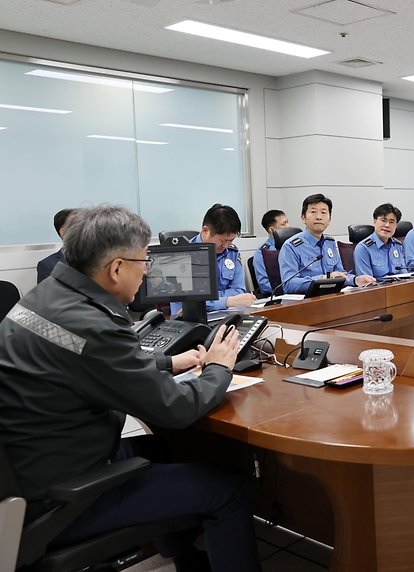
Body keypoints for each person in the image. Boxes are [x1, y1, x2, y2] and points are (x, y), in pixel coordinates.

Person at [0, 205, 260, 572]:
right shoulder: (95, 323)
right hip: (64, 499)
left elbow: (83, 358)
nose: (147, 270)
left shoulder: (43, 299)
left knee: (155, 446)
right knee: (230, 489)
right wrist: (218, 367)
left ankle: (187, 560)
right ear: (116, 267)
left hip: (30, 472)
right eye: (144, 261)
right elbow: (176, 409)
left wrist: (170, 362)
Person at [170, 204, 256, 316]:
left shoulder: (232, 253)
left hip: (227, 316)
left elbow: (239, 291)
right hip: (190, 320)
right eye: (222, 240)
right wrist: (228, 301)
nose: (226, 245)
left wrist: (209, 299)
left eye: (231, 241)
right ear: (205, 231)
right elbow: (187, 302)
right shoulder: (182, 256)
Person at [278, 194, 375, 293]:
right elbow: (289, 284)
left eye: (323, 212)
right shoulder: (291, 246)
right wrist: (323, 279)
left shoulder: (330, 243)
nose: (319, 217)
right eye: (313, 212)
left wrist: (355, 280)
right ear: (303, 218)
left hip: (331, 298)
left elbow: (340, 274)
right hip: (305, 302)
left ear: (329, 220)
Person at [353, 203, 407, 281]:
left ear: (396, 226)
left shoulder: (397, 245)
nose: (387, 225)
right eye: (383, 220)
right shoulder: (363, 248)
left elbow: (404, 274)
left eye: (392, 222)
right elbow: (367, 282)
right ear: (374, 222)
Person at [251, 209, 289, 296]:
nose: (288, 226)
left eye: (287, 222)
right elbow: (264, 285)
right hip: (278, 296)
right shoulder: (262, 253)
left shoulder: (293, 247)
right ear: (272, 230)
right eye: (284, 224)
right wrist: (288, 289)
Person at [36, 208, 76, 284]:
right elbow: (47, 294)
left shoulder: (98, 259)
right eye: (78, 226)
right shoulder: (49, 265)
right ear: (63, 232)